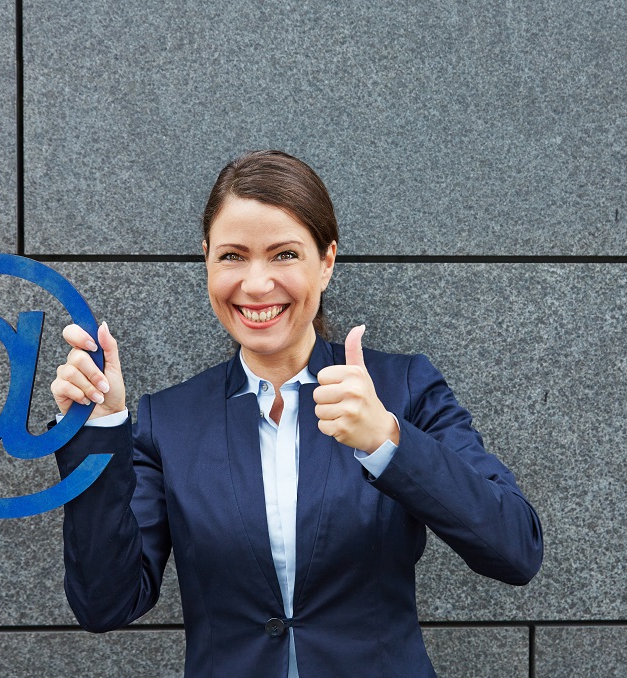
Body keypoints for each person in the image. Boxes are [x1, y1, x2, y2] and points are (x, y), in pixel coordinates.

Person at [50, 150, 543, 677]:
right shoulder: (166, 421)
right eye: (233, 256)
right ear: (207, 260)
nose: (256, 284)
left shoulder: (403, 388)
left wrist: (387, 441)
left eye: (284, 254)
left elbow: (515, 549)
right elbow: (105, 603)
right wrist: (101, 428)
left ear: (326, 261)